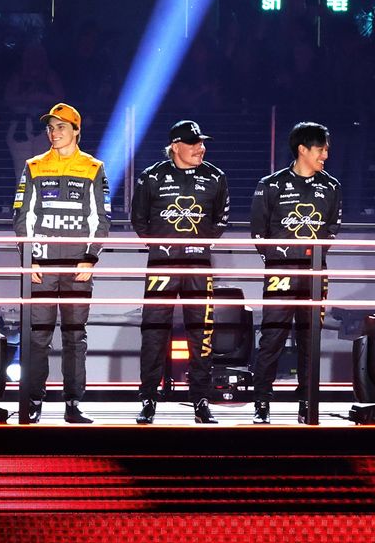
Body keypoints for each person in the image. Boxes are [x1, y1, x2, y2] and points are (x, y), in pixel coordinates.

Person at [12, 101, 109, 424]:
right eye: (51, 127)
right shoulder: (34, 166)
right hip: (41, 266)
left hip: (77, 266)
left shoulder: (93, 167)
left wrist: (90, 258)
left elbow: (101, 219)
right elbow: (22, 217)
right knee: (38, 336)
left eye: (61, 127)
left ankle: (73, 403)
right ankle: (33, 401)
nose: (54, 133)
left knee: (74, 336)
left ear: (77, 130)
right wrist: (29, 259)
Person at [129, 119, 228, 424]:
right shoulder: (151, 176)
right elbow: (139, 220)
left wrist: (198, 244)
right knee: (154, 332)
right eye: (194, 143)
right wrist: (163, 247)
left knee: (202, 333)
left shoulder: (215, 176)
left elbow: (220, 220)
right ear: (175, 146)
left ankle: (201, 399)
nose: (201, 148)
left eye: (202, 142)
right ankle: (148, 398)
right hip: (162, 264)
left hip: (199, 266)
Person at [249, 121, 342, 424]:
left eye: (326, 149)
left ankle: (307, 402)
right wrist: (278, 259)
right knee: (272, 339)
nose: (325, 155)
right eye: (321, 149)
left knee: (310, 340)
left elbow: (332, 228)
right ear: (303, 149)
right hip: (280, 272)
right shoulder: (271, 184)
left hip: (315, 275)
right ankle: (262, 402)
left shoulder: (332, 186)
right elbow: (258, 231)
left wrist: (313, 257)